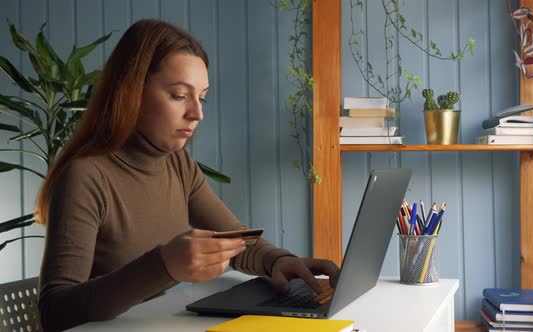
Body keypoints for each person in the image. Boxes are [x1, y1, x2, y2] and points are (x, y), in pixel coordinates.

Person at [35, 19, 339, 332]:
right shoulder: (84, 176)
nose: (197, 112)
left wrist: (279, 261)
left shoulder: (178, 163)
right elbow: (55, 312)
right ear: (131, 92)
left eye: (202, 97)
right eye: (180, 95)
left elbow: (234, 239)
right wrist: (163, 265)